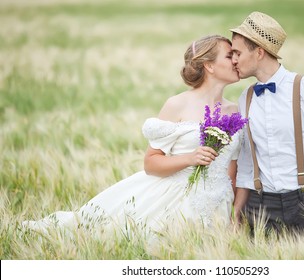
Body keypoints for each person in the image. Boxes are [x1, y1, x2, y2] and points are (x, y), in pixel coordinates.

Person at [22, 35, 242, 241]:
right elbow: (151, 163)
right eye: (229, 55)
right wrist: (190, 158)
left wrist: (233, 212)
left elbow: (231, 166)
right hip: (173, 201)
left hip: (217, 205)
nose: (236, 60)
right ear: (209, 65)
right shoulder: (178, 105)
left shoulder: (235, 111)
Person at [230, 12, 304, 238]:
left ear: (259, 52)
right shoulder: (245, 98)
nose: (233, 60)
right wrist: (236, 214)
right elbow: (247, 164)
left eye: (237, 53)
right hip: (259, 207)